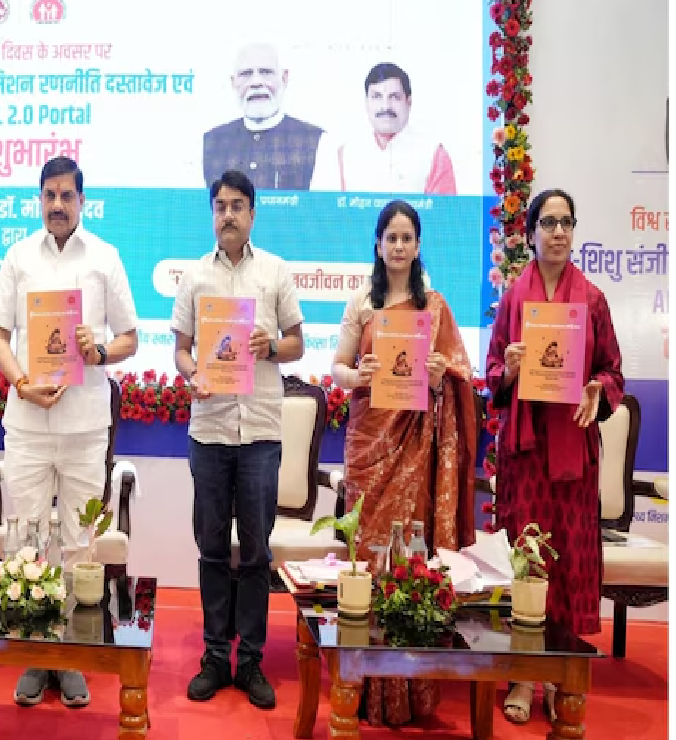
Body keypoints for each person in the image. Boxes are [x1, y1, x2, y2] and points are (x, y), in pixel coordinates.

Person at [0, 155, 139, 708]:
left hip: (84, 425)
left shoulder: (105, 258)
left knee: (79, 545)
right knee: (26, 541)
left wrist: (99, 351)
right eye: (49, 195)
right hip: (27, 423)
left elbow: (130, 338)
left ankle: (70, 654)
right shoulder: (18, 257)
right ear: (40, 200)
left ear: (81, 201)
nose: (57, 204)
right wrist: (21, 381)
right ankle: (35, 652)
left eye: (66, 195)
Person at [330, 199, 477, 726]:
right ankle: (361, 685)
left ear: (417, 247)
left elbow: (460, 376)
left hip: (414, 450)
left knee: (407, 560)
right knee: (368, 562)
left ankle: (408, 689)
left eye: (406, 238)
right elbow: (338, 369)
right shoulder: (361, 303)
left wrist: (439, 377)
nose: (397, 246)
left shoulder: (434, 307)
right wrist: (359, 375)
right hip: (370, 446)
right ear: (378, 245)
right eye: (390, 237)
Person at [485, 188, 623, 725]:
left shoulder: (592, 300)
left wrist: (597, 389)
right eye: (549, 222)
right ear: (530, 233)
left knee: (563, 562)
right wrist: (511, 370)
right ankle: (522, 674)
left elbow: (613, 372)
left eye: (567, 222)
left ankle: (555, 675)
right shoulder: (513, 300)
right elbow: (493, 375)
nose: (559, 231)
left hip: (571, 452)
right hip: (524, 452)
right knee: (527, 560)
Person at [172, 169, 304, 710]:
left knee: (254, 553)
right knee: (210, 548)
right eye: (219, 206)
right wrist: (191, 374)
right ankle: (213, 656)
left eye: (236, 206)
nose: (227, 214)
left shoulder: (275, 271)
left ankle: (249, 660)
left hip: (260, 434)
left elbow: (297, 344)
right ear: (213, 214)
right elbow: (180, 351)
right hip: (210, 429)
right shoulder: (194, 277)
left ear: (252, 213)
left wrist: (270, 347)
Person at [310, 63, 456, 195]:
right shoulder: (346, 154)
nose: (385, 106)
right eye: (377, 96)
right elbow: (329, 213)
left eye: (394, 97)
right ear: (366, 102)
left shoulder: (433, 154)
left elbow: (444, 214)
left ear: (409, 102)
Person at [202, 43, 330, 190]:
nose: (256, 82)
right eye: (246, 74)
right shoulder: (210, 142)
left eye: (266, 72)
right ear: (233, 82)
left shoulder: (317, 141)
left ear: (284, 78)